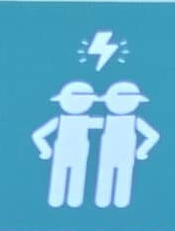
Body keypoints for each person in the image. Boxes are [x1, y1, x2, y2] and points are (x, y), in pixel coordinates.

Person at [32, 82, 101, 208]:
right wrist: (46, 150)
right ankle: (56, 200)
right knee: (60, 177)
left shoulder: (86, 120)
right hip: (62, 153)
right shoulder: (60, 121)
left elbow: (109, 125)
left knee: (77, 178)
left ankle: (74, 201)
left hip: (80, 154)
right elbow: (38, 135)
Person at [93, 80, 159, 210]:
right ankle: (102, 200)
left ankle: (120, 200)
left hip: (126, 155)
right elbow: (88, 124)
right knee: (104, 176)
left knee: (123, 178)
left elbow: (153, 135)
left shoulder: (134, 121)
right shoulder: (107, 120)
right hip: (106, 155)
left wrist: (141, 151)